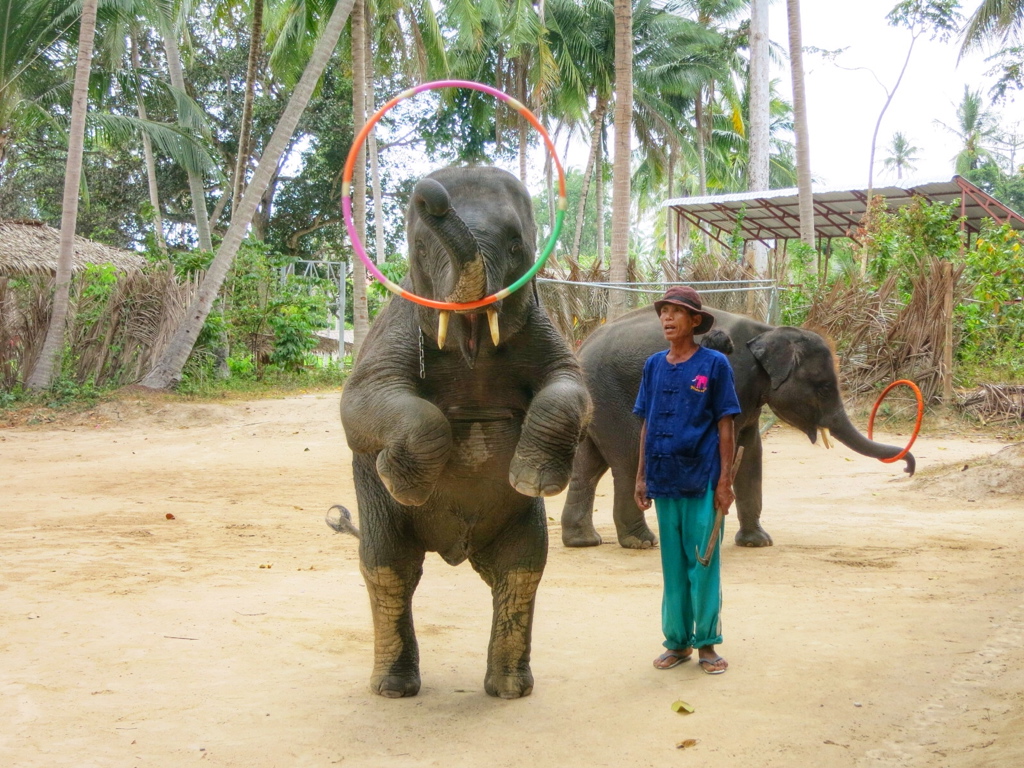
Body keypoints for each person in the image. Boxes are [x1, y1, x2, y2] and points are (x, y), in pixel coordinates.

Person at [633, 286, 741, 675]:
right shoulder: (653, 366)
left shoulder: (714, 365)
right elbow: (646, 424)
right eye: (663, 311)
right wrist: (641, 477)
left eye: (676, 312)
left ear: (695, 322)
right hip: (664, 481)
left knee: (704, 562)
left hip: (703, 481)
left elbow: (725, 424)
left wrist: (725, 482)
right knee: (673, 567)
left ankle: (708, 644)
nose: (667, 318)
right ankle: (677, 643)